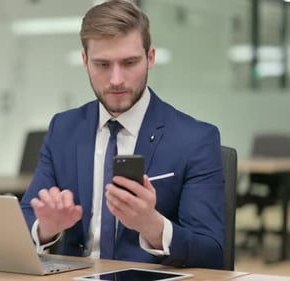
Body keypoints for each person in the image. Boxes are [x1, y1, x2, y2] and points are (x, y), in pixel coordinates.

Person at [20, 0, 224, 269]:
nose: (116, 79)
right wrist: (46, 228)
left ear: (150, 58)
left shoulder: (195, 139)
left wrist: (152, 225)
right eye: (102, 65)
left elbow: (212, 251)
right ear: (84, 61)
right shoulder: (64, 129)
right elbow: (25, 218)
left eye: (129, 63)